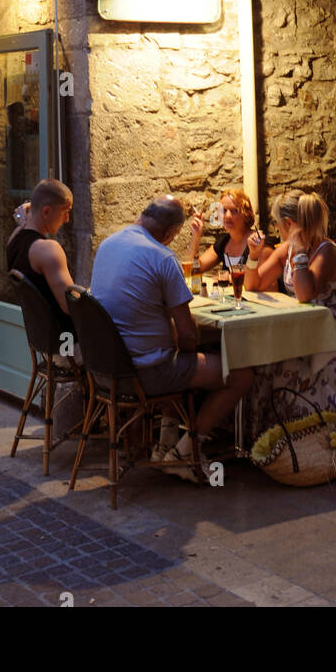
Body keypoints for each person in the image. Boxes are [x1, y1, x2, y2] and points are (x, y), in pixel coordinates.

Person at [90, 196, 253, 478]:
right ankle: (186, 450)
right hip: (145, 374)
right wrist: (187, 342)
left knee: (173, 355)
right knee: (241, 375)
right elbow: (188, 335)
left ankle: (164, 446)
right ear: (169, 233)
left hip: (104, 371)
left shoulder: (108, 245)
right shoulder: (163, 258)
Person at [242, 191, 336, 458]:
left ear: (288, 224)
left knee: (281, 361)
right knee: (262, 360)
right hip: (303, 328)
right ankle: (279, 435)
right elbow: (253, 284)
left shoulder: (326, 251)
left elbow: (306, 293)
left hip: (331, 331)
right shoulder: (287, 249)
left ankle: (316, 434)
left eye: (278, 225)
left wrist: (297, 252)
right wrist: (253, 255)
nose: (277, 231)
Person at [6, 178, 75, 329]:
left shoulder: (14, 238)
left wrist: (32, 206)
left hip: (41, 338)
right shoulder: (48, 250)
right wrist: (91, 293)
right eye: (66, 211)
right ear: (46, 211)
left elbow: (25, 218)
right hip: (67, 342)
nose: (67, 219)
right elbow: (72, 307)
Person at [187, 188, 261, 271]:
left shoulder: (258, 241)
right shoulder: (223, 242)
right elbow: (193, 269)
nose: (228, 216)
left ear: (246, 214)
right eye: (224, 210)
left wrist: (229, 277)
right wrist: (196, 237)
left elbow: (264, 280)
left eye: (234, 211)